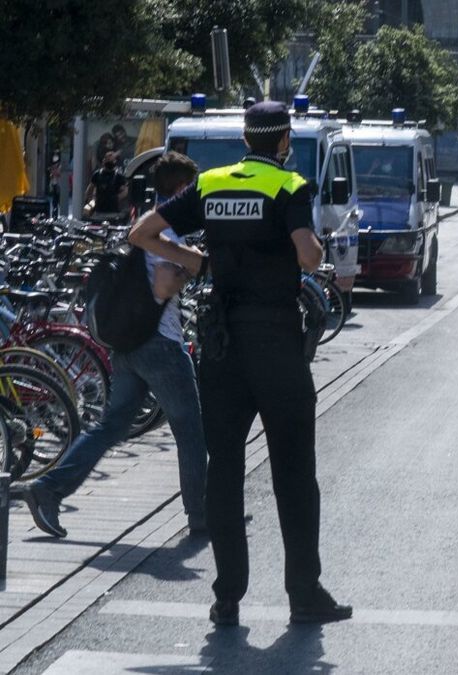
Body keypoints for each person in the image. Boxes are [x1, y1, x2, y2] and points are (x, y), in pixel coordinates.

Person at [129, 101, 351, 627]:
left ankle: (227, 596)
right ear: (283, 140)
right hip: (275, 341)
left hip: (222, 346)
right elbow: (309, 257)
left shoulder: (211, 184)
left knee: (224, 470)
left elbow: (141, 231)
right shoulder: (289, 186)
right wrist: (312, 240)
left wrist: (198, 262)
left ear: (245, 138)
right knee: (294, 472)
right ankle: (303, 593)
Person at [25, 152, 208, 540]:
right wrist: (189, 267)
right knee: (191, 430)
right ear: (179, 189)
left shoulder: (145, 221)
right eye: (192, 190)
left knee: (109, 427)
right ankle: (202, 515)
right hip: (160, 345)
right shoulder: (169, 232)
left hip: (128, 346)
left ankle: (49, 488)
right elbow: (162, 286)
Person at [84, 151, 127, 219]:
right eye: (108, 160)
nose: (110, 162)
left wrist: (116, 198)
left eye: (111, 160)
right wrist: (91, 203)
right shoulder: (97, 174)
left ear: (115, 162)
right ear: (104, 161)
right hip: (98, 211)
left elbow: (125, 191)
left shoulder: (119, 176)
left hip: (113, 212)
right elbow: (89, 190)